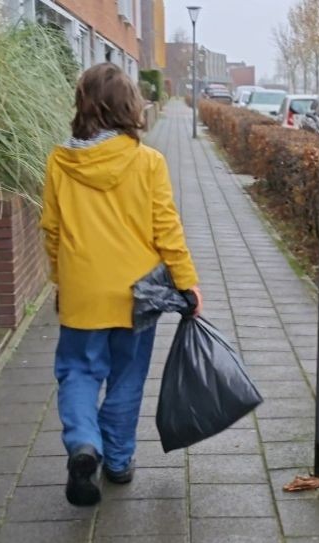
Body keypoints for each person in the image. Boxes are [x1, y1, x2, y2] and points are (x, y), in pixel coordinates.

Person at [41, 63, 201, 507]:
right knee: (127, 377)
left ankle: (83, 445)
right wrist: (188, 284)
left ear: (84, 105)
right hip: (137, 295)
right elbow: (167, 228)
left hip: (82, 292)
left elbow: (51, 230)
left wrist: (61, 279)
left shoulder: (60, 161)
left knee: (77, 372)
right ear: (129, 107)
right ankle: (117, 461)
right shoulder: (147, 162)